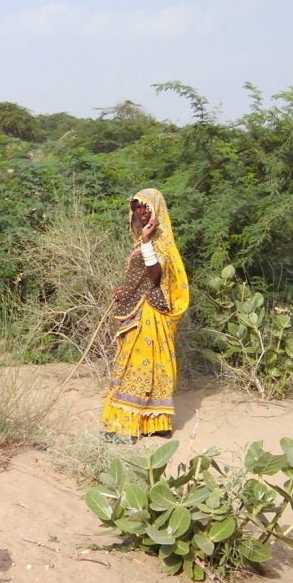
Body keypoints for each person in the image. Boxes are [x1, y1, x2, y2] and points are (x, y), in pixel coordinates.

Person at [102, 188, 189, 442]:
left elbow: (155, 276)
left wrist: (148, 242)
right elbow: (141, 278)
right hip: (140, 309)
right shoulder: (143, 242)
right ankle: (154, 423)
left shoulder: (159, 243)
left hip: (150, 314)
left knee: (137, 367)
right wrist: (125, 288)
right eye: (137, 207)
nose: (141, 212)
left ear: (157, 209)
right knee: (147, 367)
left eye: (145, 206)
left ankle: (125, 427)